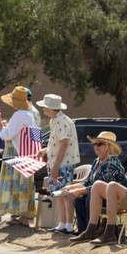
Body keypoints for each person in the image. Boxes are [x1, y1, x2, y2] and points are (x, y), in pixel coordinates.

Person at [54, 131, 127, 234]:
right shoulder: (97, 161)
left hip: (115, 198)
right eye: (95, 144)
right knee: (79, 199)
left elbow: (101, 186)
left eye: (100, 144)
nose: (96, 146)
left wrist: (78, 190)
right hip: (102, 195)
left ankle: (93, 230)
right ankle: (83, 230)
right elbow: (88, 182)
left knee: (89, 196)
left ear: (109, 147)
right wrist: (70, 187)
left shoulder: (112, 162)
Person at [36, 94, 79, 234]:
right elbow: (57, 142)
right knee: (59, 194)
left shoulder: (60, 121)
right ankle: (63, 223)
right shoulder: (57, 120)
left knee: (65, 194)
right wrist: (45, 151)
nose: (43, 109)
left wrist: (56, 165)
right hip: (59, 163)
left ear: (50, 108)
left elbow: (64, 143)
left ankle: (68, 225)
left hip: (62, 164)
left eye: (45, 107)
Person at [0, 86, 36, 227]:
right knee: (24, 185)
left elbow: (6, 135)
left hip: (18, 152)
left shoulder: (20, 115)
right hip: (27, 152)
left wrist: (2, 125)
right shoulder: (29, 114)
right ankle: (22, 215)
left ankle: (22, 216)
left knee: (18, 184)